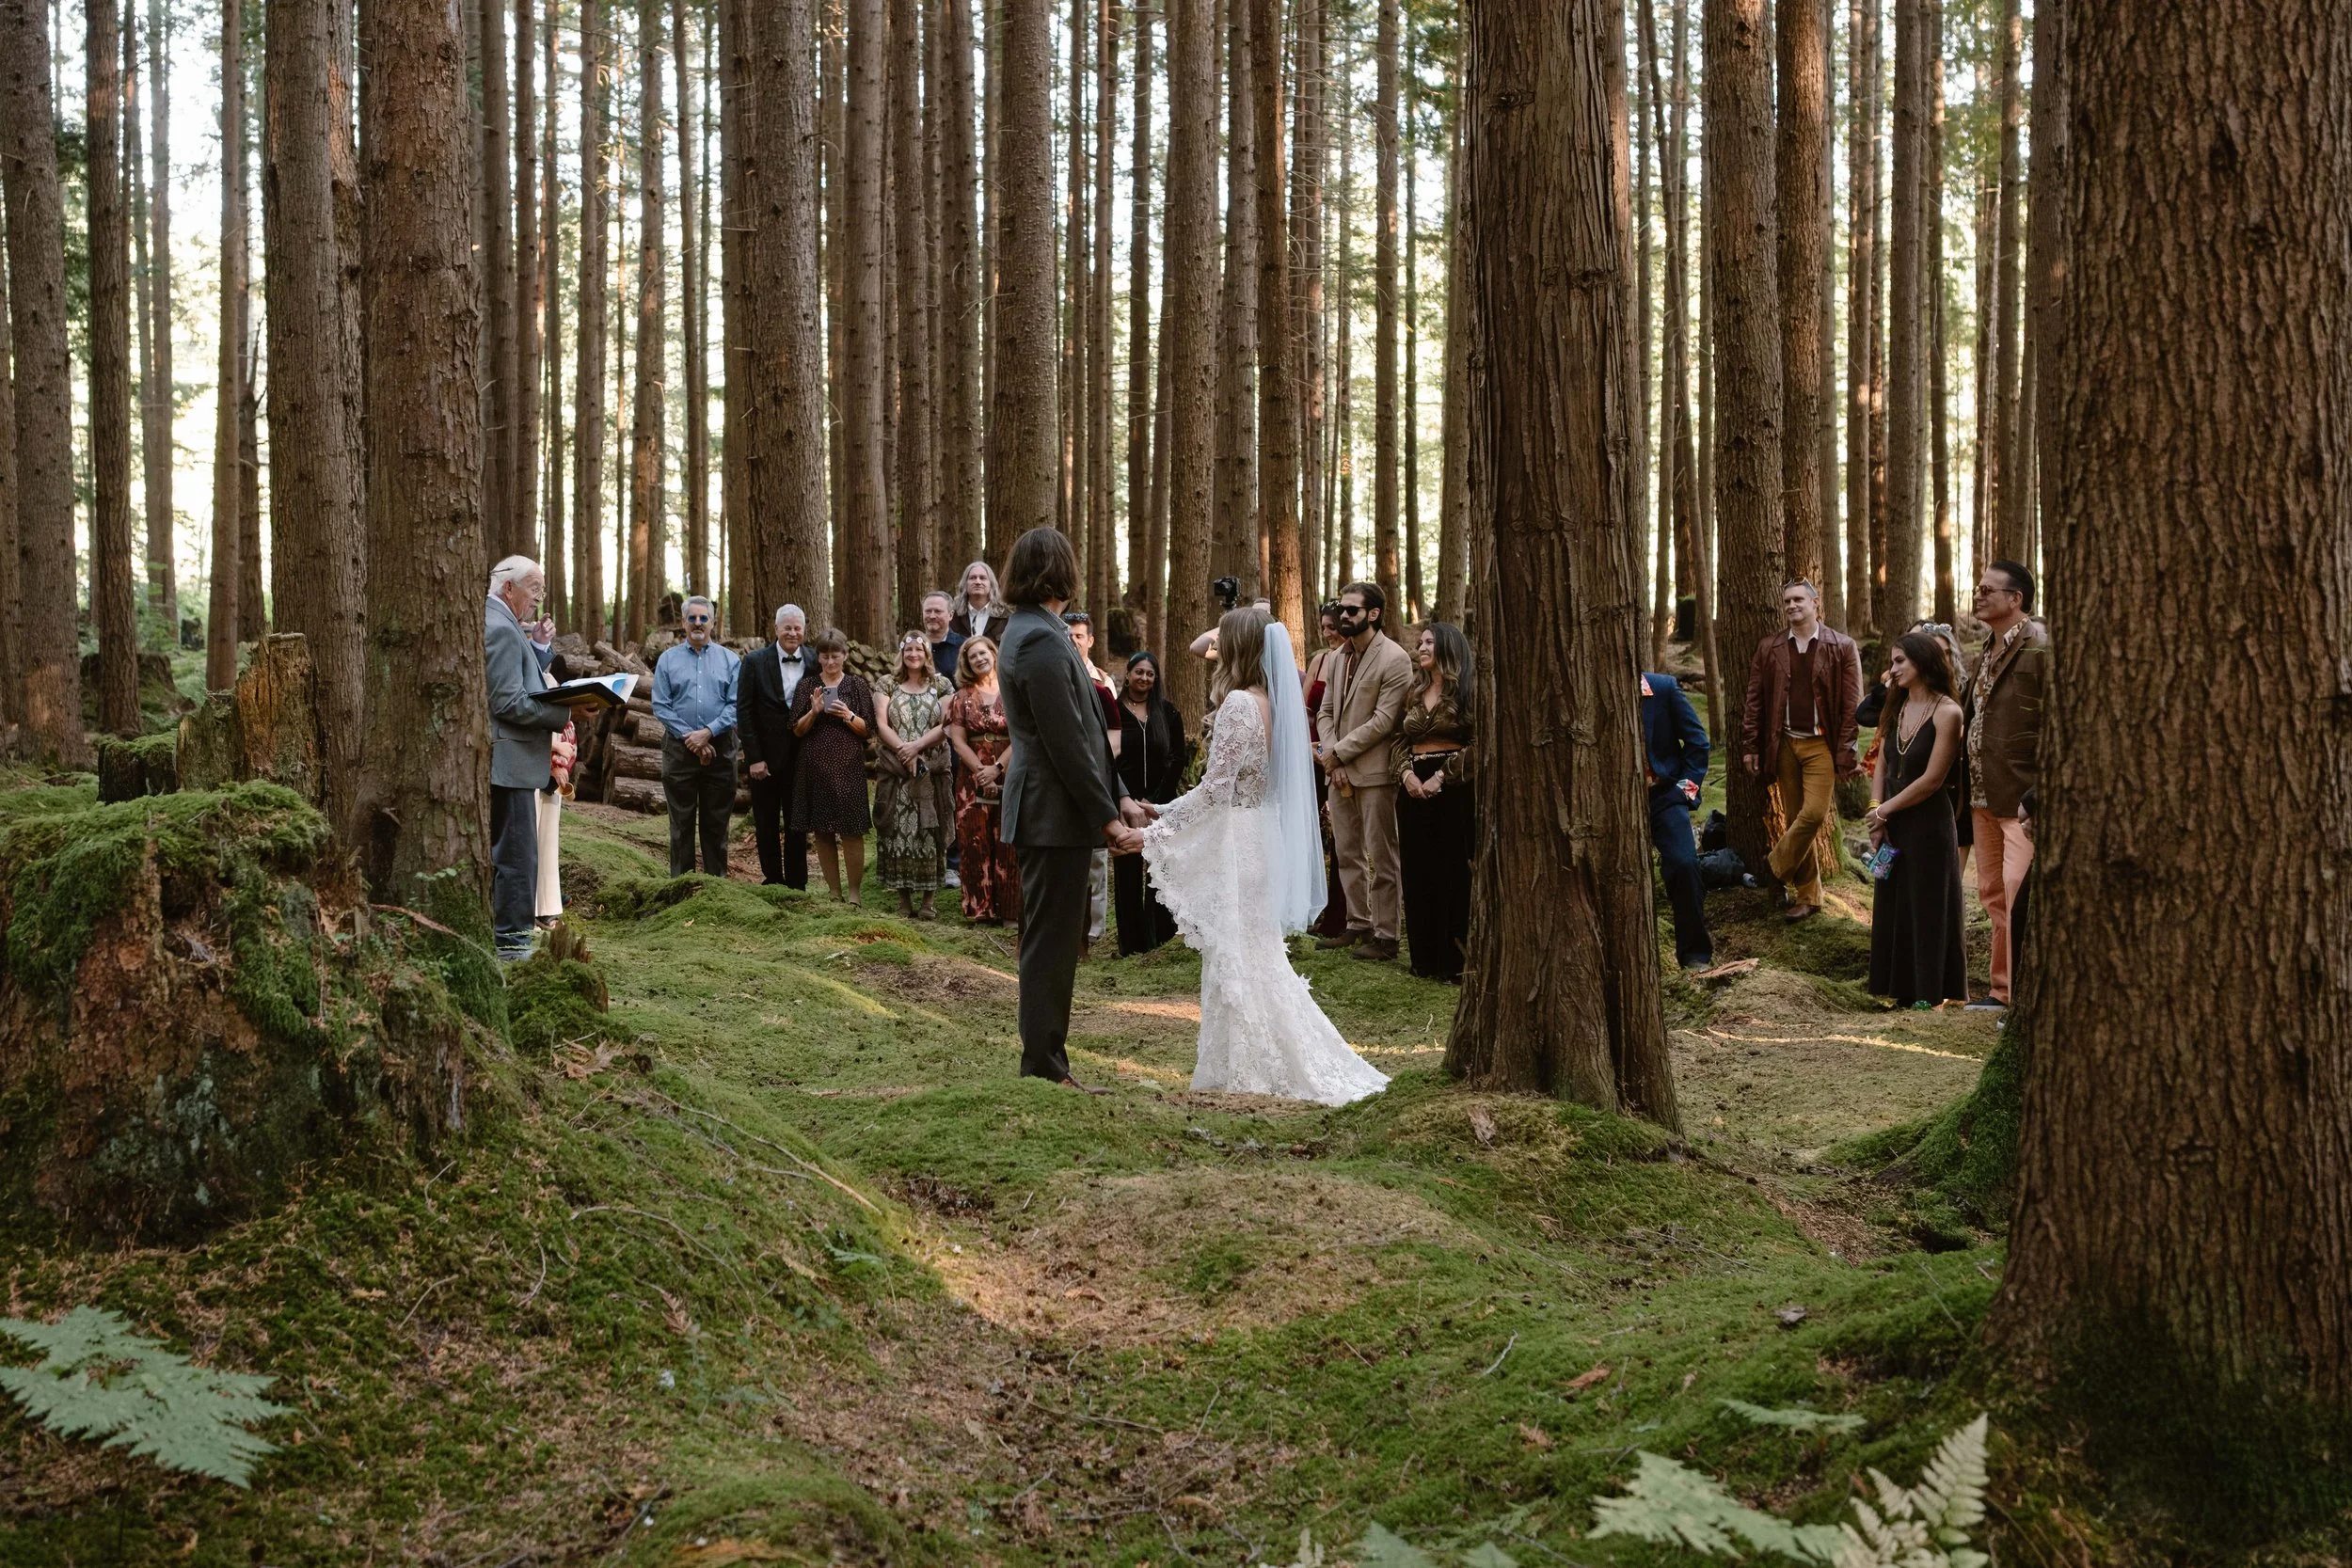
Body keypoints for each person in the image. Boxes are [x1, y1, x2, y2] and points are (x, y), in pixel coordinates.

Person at [1143, 607, 1390, 1105]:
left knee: (1238, 952)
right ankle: (1241, 1059)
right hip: (1257, 836)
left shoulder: (1237, 704)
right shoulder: (1272, 703)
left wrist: (1160, 824)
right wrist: (1163, 808)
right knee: (1254, 952)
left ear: (1235, 650)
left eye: (1223, 642)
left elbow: (1215, 791)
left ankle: (1247, 1064)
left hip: (1237, 837)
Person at [995, 526, 1152, 1091]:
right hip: (1049, 812)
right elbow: (1064, 743)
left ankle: (1049, 1063)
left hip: (1059, 811)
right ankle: (1043, 1067)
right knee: (1051, 944)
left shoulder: (1043, 630)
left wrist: (1122, 800)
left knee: (1059, 941)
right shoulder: (1036, 639)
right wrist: (1107, 820)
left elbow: (1089, 731)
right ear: (1058, 571)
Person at [1739, 578, 1863, 923]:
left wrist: (1846, 753)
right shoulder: (1770, 648)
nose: (1792, 606)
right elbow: (1754, 700)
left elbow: (1852, 707)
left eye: (1798, 600)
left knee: (1813, 816)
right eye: (1787, 601)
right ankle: (1809, 896)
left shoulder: (1842, 647)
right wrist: (1751, 745)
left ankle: (1774, 870)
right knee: (1795, 819)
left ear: (1814, 603)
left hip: (1821, 743)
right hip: (1784, 744)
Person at [1961, 559, 2048, 1011]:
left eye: (1988, 589)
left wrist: (2041, 792)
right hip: (1982, 795)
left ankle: (2028, 995)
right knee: (1992, 894)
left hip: (2021, 796)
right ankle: (2002, 991)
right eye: (1978, 588)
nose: (1978, 594)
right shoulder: (1985, 650)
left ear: (2016, 599)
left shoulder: (2040, 646)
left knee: (2019, 895)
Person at [1866, 632, 1969, 1008]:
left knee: (1928, 903)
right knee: (1893, 901)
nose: (1891, 670)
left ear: (1922, 663)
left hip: (1928, 823)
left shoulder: (1948, 712)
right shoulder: (1895, 707)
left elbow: (1932, 780)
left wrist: (1885, 810)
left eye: (1899, 662)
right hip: (1892, 819)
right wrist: (1876, 810)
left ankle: (1932, 992)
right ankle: (1900, 990)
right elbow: (1882, 762)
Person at [1313, 581, 1414, 961]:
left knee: (1382, 855)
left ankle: (1387, 935)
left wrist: (1335, 754)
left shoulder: (1396, 659)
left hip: (1375, 774)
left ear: (1373, 614)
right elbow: (1325, 712)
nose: (1343, 616)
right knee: (1346, 851)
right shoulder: (1337, 657)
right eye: (1341, 609)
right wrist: (1332, 758)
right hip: (1337, 771)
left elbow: (1385, 721)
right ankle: (1358, 923)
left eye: (1352, 610)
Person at [485, 556, 574, 960]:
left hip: (512, 762)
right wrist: (563, 712)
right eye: (533, 589)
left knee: (517, 856)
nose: (539, 597)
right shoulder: (501, 627)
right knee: (518, 859)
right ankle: (512, 947)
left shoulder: (506, 624)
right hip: (511, 763)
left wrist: (537, 646)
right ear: (508, 589)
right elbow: (506, 700)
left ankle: (509, 940)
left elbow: (517, 675)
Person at [1391, 623, 1475, 982]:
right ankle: (1422, 960)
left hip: (1455, 792)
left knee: (1453, 872)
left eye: (1429, 642)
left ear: (1447, 648)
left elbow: (1481, 744)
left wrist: (1442, 776)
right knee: (1417, 869)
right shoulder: (1413, 690)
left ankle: (1452, 962)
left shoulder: (1468, 693)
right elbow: (1398, 740)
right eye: (1420, 642)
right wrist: (1407, 775)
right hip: (1412, 792)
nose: (1421, 647)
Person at [651, 595, 743, 879]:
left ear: (713, 622)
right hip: (679, 751)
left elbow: (736, 704)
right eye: (692, 618)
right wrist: (690, 737)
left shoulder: (730, 660)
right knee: (681, 822)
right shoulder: (667, 660)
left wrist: (708, 733)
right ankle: (682, 884)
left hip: (722, 749)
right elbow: (661, 705)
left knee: (716, 822)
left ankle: (717, 885)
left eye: (704, 618)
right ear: (683, 622)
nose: (698, 623)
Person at [788, 627, 878, 902]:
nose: (830, 662)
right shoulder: (807, 686)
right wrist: (814, 712)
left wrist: (849, 715)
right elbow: (796, 730)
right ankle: (834, 892)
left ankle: (854, 893)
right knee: (822, 830)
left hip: (849, 766)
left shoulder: (857, 685)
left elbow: (869, 730)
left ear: (845, 655)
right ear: (818, 657)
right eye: (825, 657)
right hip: (814, 768)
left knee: (852, 830)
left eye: (835, 656)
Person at [872, 632, 955, 919]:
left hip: (930, 768)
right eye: (909, 650)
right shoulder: (887, 683)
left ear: (927, 654)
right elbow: (881, 724)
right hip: (897, 769)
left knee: (930, 830)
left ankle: (928, 900)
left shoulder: (941, 684)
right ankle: (903, 898)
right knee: (897, 831)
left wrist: (917, 748)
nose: (914, 654)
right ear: (902, 653)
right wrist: (904, 752)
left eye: (920, 649)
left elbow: (946, 724)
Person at [1113, 649, 1186, 955]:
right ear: (1128, 675)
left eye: (1150, 673)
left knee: (1161, 872)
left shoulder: (1168, 714)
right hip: (1123, 805)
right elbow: (1108, 759)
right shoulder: (1114, 712)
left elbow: (1177, 758)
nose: (1144, 677)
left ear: (1156, 679)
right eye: (1139, 671)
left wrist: (1154, 802)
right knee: (1128, 875)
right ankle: (1132, 945)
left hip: (1161, 806)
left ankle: (1161, 940)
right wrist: (1125, 798)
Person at [1641, 671, 1713, 970]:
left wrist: (1684, 792)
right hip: (1605, 803)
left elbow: (1698, 744)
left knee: (1684, 863)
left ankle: (1695, 954)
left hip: (1663, 797)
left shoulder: (1662, 687)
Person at [739, 604, 812, 888]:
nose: (792, 633)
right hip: (765, 759)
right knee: (766, 821)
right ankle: (773, 879)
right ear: (776, 629)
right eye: (787, 628)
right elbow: (744, 712)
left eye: (797, 628)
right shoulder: (754, 662)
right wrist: (754, 757)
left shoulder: (814, 660)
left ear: (804, 630)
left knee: (798, 823)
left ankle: (797, 883)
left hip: (801, 757)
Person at [946, 637, 1020, 923]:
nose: (979, 659)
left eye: (983, 653)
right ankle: (980, 911)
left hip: (1009, 770)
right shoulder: (962, 696)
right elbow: (958, 740)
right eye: (972, 656)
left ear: (993, 653)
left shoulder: (1013, 692)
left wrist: (997, 768)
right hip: (971, 776)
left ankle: (1011, 911)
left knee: (1008, 840)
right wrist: (981, 771)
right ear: (966, 663)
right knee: (974, 840)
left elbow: (1022, 736)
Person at [1065, 610, 1121, 949]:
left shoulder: (1103, 681)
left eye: (1079, 636)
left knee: (1097, 857)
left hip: (1097, 773)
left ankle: (1095, 927)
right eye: (1068, 635)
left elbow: (1111, 735)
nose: (1073, 641)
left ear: (1090, 640)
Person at [1302, 603, 1351, 941]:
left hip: (1345, 755)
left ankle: (1341, 914)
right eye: (1324, 627)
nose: (1328, 633)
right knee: (1308, 832)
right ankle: (1310, 907)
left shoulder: (1352, 660)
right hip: (1312, 754)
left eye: (1333, 626)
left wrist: (1335, 752)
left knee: (1342, 837)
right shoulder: (1319, 660)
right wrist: (1311, 748)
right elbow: (1304, 709)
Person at [534, 660, 578, 927]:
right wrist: (549, 759)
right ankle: (525, 906)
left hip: (552, 773)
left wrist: (560, 763)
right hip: (528, 765)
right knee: (529, 839)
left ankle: (547, 904)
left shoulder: (550, 681)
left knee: (547, 840)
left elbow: (566, 728)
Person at [950, 559, 1009, 643]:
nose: (978, 582)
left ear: (991, 584)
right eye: (972, 578)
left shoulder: (1005, 616)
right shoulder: (953, 616)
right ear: (965, 584)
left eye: (983, 578)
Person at [921, 590, 966, 687]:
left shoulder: (964, 647)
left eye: (938, 611)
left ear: (951, 615)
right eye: (928, 611)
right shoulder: (913, 646)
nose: (932, 616)